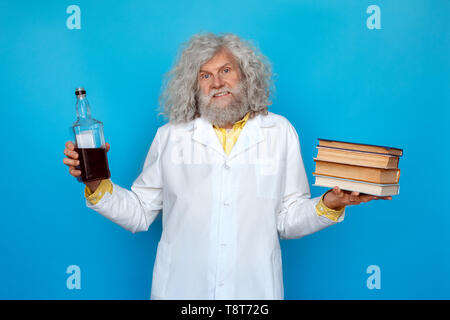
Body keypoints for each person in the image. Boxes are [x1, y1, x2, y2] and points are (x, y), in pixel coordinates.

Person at [63, 33, 391, 300]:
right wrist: (95, 183)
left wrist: (330, 203)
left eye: (226, 70)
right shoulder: (170, 136)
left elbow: (289, 220)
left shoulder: (279, 131)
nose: (216, 82)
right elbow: (138, 212)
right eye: (205, 75)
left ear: (246, 76)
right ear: (193, 86)